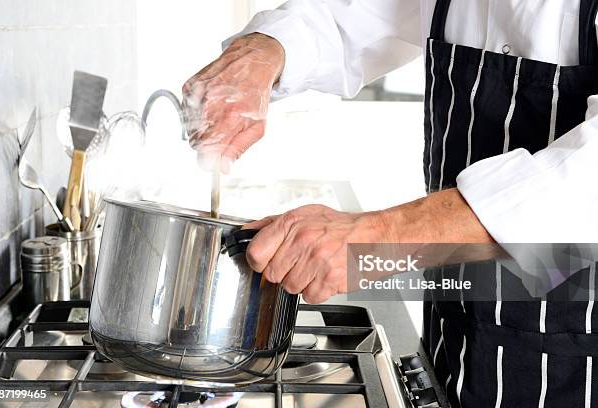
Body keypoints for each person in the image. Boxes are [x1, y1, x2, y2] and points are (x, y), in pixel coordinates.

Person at [182, 1, 598, 406]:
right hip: (456, 328)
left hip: (576, 355)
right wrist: (263, 50)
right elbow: (356, 15)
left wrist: (382, 236)